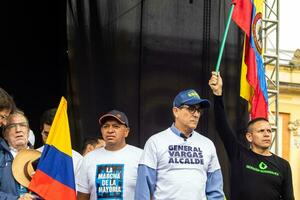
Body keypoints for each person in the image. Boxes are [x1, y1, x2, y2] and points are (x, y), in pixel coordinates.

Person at [209, 72, 294, 200]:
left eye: (269, 131)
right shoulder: (239, 155)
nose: (266, 134)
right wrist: (218, 94)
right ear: (249, 137)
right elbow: (222, 127)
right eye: (261, 131)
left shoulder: (283, 165)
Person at [135, 89, 224, 200]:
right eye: (191, 109)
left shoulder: (207, 144)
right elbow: (143, 188)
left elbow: (215, 190)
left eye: (198, 110)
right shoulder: (155, 142)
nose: (196, 114)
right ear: (176, 111)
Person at [77, 110, 143, 200]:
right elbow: (82, 196)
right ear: (101, 130)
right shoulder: (89, 158)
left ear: (126, 132)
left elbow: (149, 194)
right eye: (106, 126)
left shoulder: (141, 156)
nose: (110, 130)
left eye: (116, 126)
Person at [36, 108, 83, 189]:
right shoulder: (33, 157)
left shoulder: (77, 159)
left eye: (54, 135)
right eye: (47, 134)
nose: (50, 140)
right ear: (41, 132)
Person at [0, 110, 35, 199]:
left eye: (23, 125)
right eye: (12, 126)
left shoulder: (42, 159)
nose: (18, 130)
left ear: (28, 131)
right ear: (5, 134)